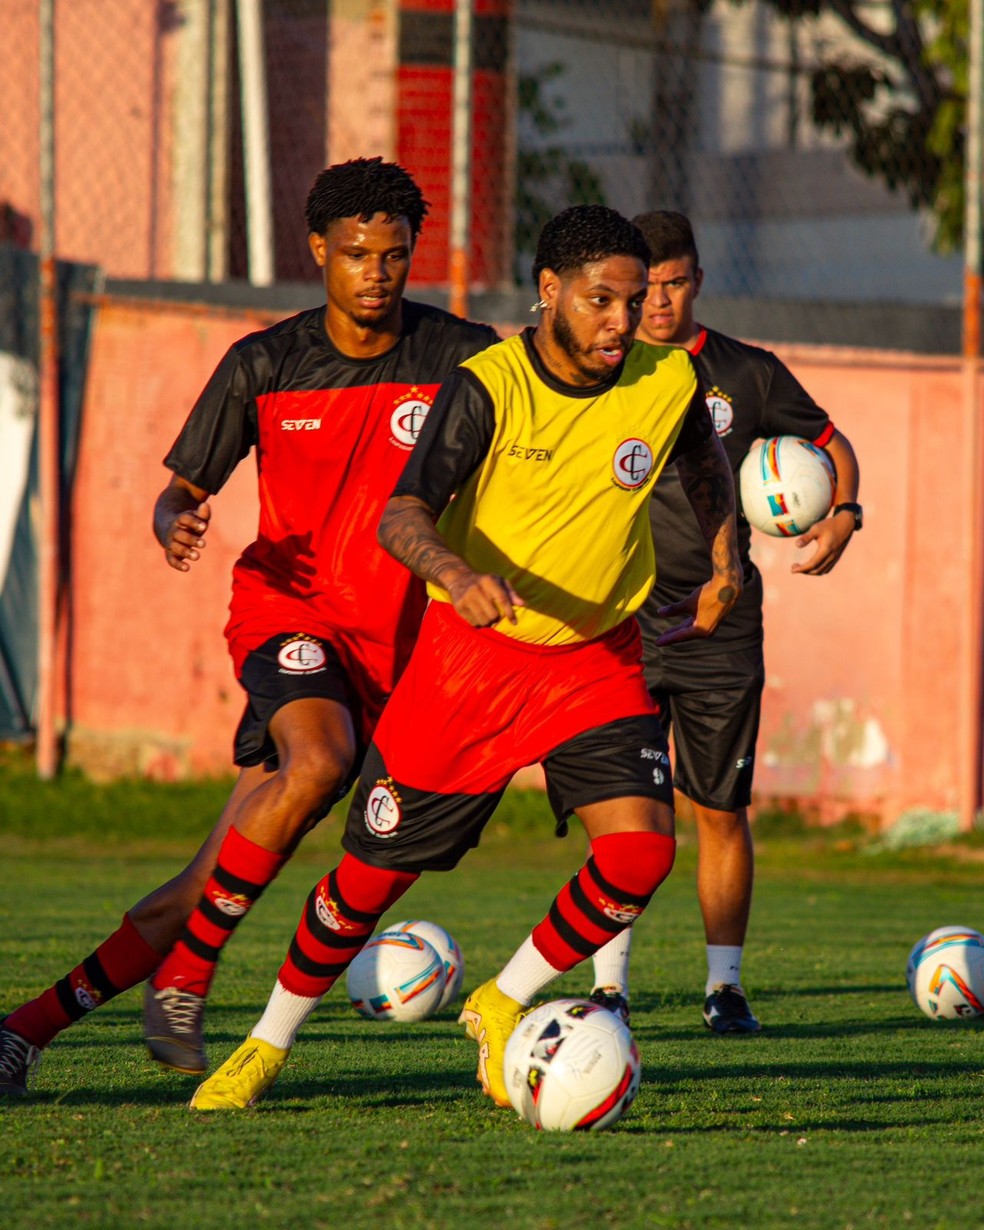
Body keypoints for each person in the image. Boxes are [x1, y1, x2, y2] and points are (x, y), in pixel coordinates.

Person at [186, 203, 743, 1112]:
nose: (622, 320)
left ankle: (499, 997)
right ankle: (264, 1045)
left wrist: (725, 564)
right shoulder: (489, 386)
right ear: (549, 292)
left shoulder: (667, 381)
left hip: (592, 659)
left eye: (635, 301)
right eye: (603, 300)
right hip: (467, 665)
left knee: (642, 855)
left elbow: (705, 465)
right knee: (367, 879)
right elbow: (403, 512)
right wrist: (458, 571)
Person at [0, 157, 497, 1098]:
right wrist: (173, 520)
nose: (377, 272)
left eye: (394, 255)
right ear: (319, 251)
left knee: (204, 883)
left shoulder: (463, 357)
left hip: (398, 652)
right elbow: (179, 489)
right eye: (357, 254)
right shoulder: (264, 363)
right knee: (317, 761)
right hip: (289, 611)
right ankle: (187, 982)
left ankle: (24, 1031)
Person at [588, 210, 861, 1034]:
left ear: (697, 279)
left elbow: (829, 439)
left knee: (718, 808)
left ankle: (724, 988)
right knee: (626, 806)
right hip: (619, 618)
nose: (660, 302)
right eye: (649, 287)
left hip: (722, 623)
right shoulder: (608, 370)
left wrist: (844, 511)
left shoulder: (747, 373)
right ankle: (608, 988)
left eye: (674, 283)